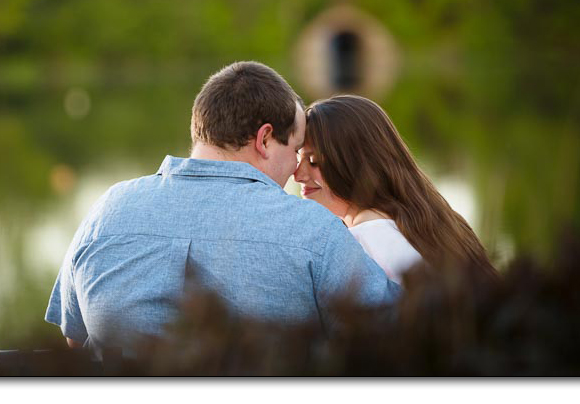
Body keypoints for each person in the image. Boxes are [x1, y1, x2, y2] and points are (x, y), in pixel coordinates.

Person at [45, 62, 399, 356]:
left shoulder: (106, 211)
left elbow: (74, 338)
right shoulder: (313, 230)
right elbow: (388, 337)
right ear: (263, 140)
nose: (296, 168)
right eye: (294, 149)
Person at [294, 94, 498, 284]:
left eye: (313, 161)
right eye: (298, 158)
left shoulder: (367, 238)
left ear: (355, 163)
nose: (298, 175)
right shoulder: (423, 219)